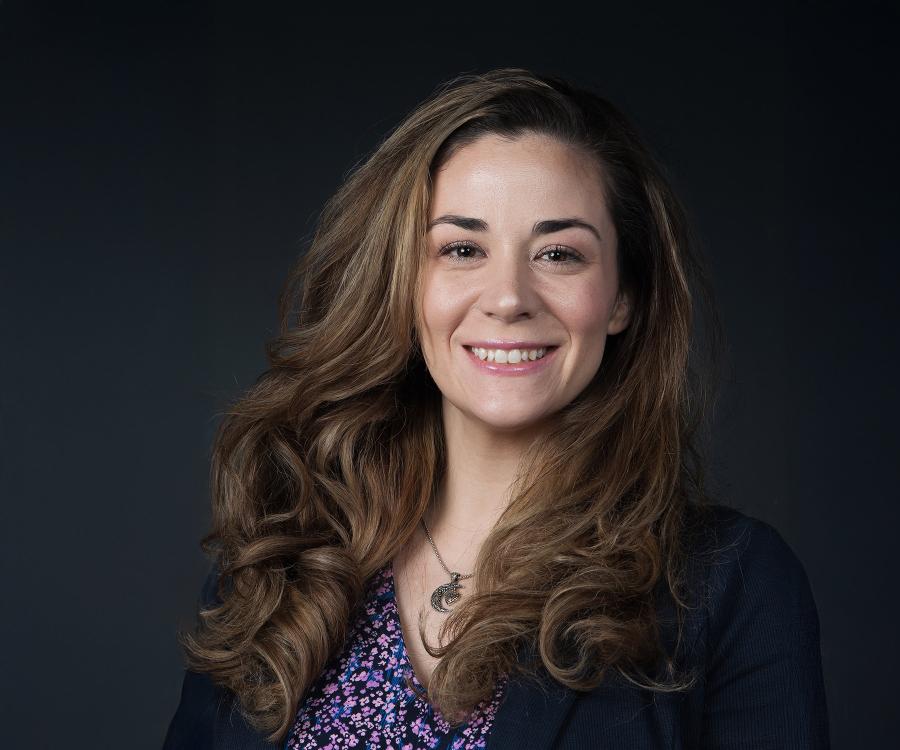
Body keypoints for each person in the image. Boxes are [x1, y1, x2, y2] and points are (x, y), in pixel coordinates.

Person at [163, 67, 830, 749]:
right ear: (404, 283)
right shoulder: (286, 562)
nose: (508, 296)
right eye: (461, 249)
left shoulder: (729, 585)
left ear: (624, 297)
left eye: (559, 253)